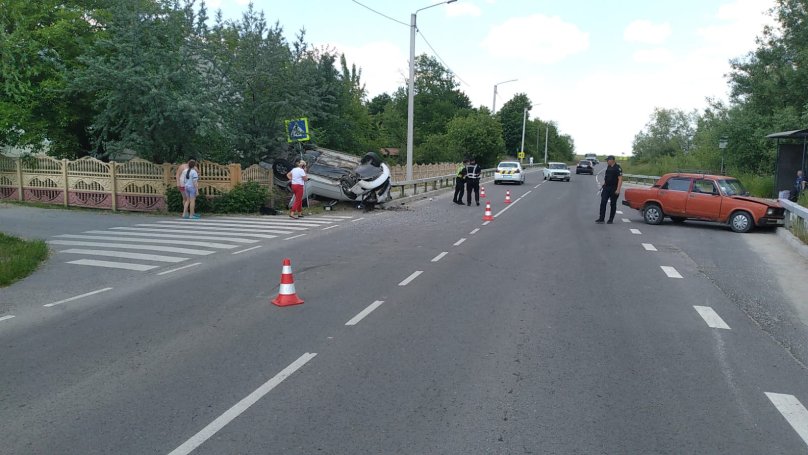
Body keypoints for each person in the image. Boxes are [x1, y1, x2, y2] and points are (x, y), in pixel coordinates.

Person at [596, 155, 623, 224]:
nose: (607, 161)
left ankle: (611, 219)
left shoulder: (617, 168)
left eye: (608, 160)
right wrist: (604, 183)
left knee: (613, 204)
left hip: (614, 188)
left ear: (612, 160)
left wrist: (618, 189)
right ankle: (601, 218)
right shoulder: (608, 167)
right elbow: (607, 177)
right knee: (603, 202)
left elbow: (620, 179)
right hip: (606, 187)